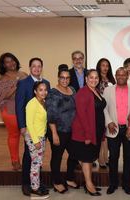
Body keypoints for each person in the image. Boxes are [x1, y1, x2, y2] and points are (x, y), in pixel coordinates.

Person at [15, 57, 50, 196]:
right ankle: (26, 183)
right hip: (30, 130)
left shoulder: (46, 83)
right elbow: (19, 106)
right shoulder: (23, 83)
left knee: (37, 159)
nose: (36, 68)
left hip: (42, 129)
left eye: (39, 66)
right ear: (30, 68)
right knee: (29, 157)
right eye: (34, 66)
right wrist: (22, 126)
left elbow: (47, 106)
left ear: (42, 68)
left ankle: (35, 182)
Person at [70, 69, 106, 196]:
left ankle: (89, 182)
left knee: (90, 158)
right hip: (85, 133)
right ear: (86, 79)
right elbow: (82, 116)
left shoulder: (95, 91)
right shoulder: (82, 92)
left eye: (96, 77)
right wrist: (88, 134)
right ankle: (89, 185)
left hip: (96, 130)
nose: (94, 80)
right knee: (86, 159)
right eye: (91, 77)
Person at [103, 67, 130, 195]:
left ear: (127, 76)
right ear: (115, 76)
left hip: (129, 129)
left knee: (128, 158)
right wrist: (108, 122)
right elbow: (104, 108)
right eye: (118, 75)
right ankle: (113, 184)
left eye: (124, 75)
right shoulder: (108, 90)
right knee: (113, 157)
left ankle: (126, 184)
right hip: (114, 128)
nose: (121, 77)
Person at [45, 64, 79, 193]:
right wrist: (54, 133)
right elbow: (51, 115)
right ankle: (57, 181)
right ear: (58, 78)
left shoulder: (72, 90)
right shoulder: (53, 93)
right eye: (62, 78)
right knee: (57, 156)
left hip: (72, 130)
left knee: (74, 154)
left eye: (67, 78)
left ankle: (69, 178)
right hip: (58, 130)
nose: (65, 80)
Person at [0, 52, 27, 171]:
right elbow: (1, 96)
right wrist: (15, 85)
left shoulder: (23, 74)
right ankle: (15, 160)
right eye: (7, 62)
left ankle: (29, 160)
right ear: (3, 65)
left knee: (28, 136)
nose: (11, 63)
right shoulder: (3, 79)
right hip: (10, 111)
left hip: (25, 110)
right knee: (14, 135)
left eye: (12, 60)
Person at [24, 81, 49, 199]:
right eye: (40, 90)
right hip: (34, 137)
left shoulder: (43, 102)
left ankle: (36, 184)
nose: (44, 92)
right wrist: (36, 141)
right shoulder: (32, 104)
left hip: (41, 136)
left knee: (38, 162)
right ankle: (34, 188)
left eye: (45, 89)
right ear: (35, 91)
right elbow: (29, 123)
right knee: (35, 163)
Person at [96, 58, 116, 168]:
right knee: (101, 136)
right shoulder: (96, 79)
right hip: (100, 111)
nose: (105, 68)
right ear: (99, 67)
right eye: (103, 65)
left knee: (108, 136)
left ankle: (107, 157)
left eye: (107, 66)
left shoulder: (112, 80)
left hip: (111, 110)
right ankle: (101, 159)